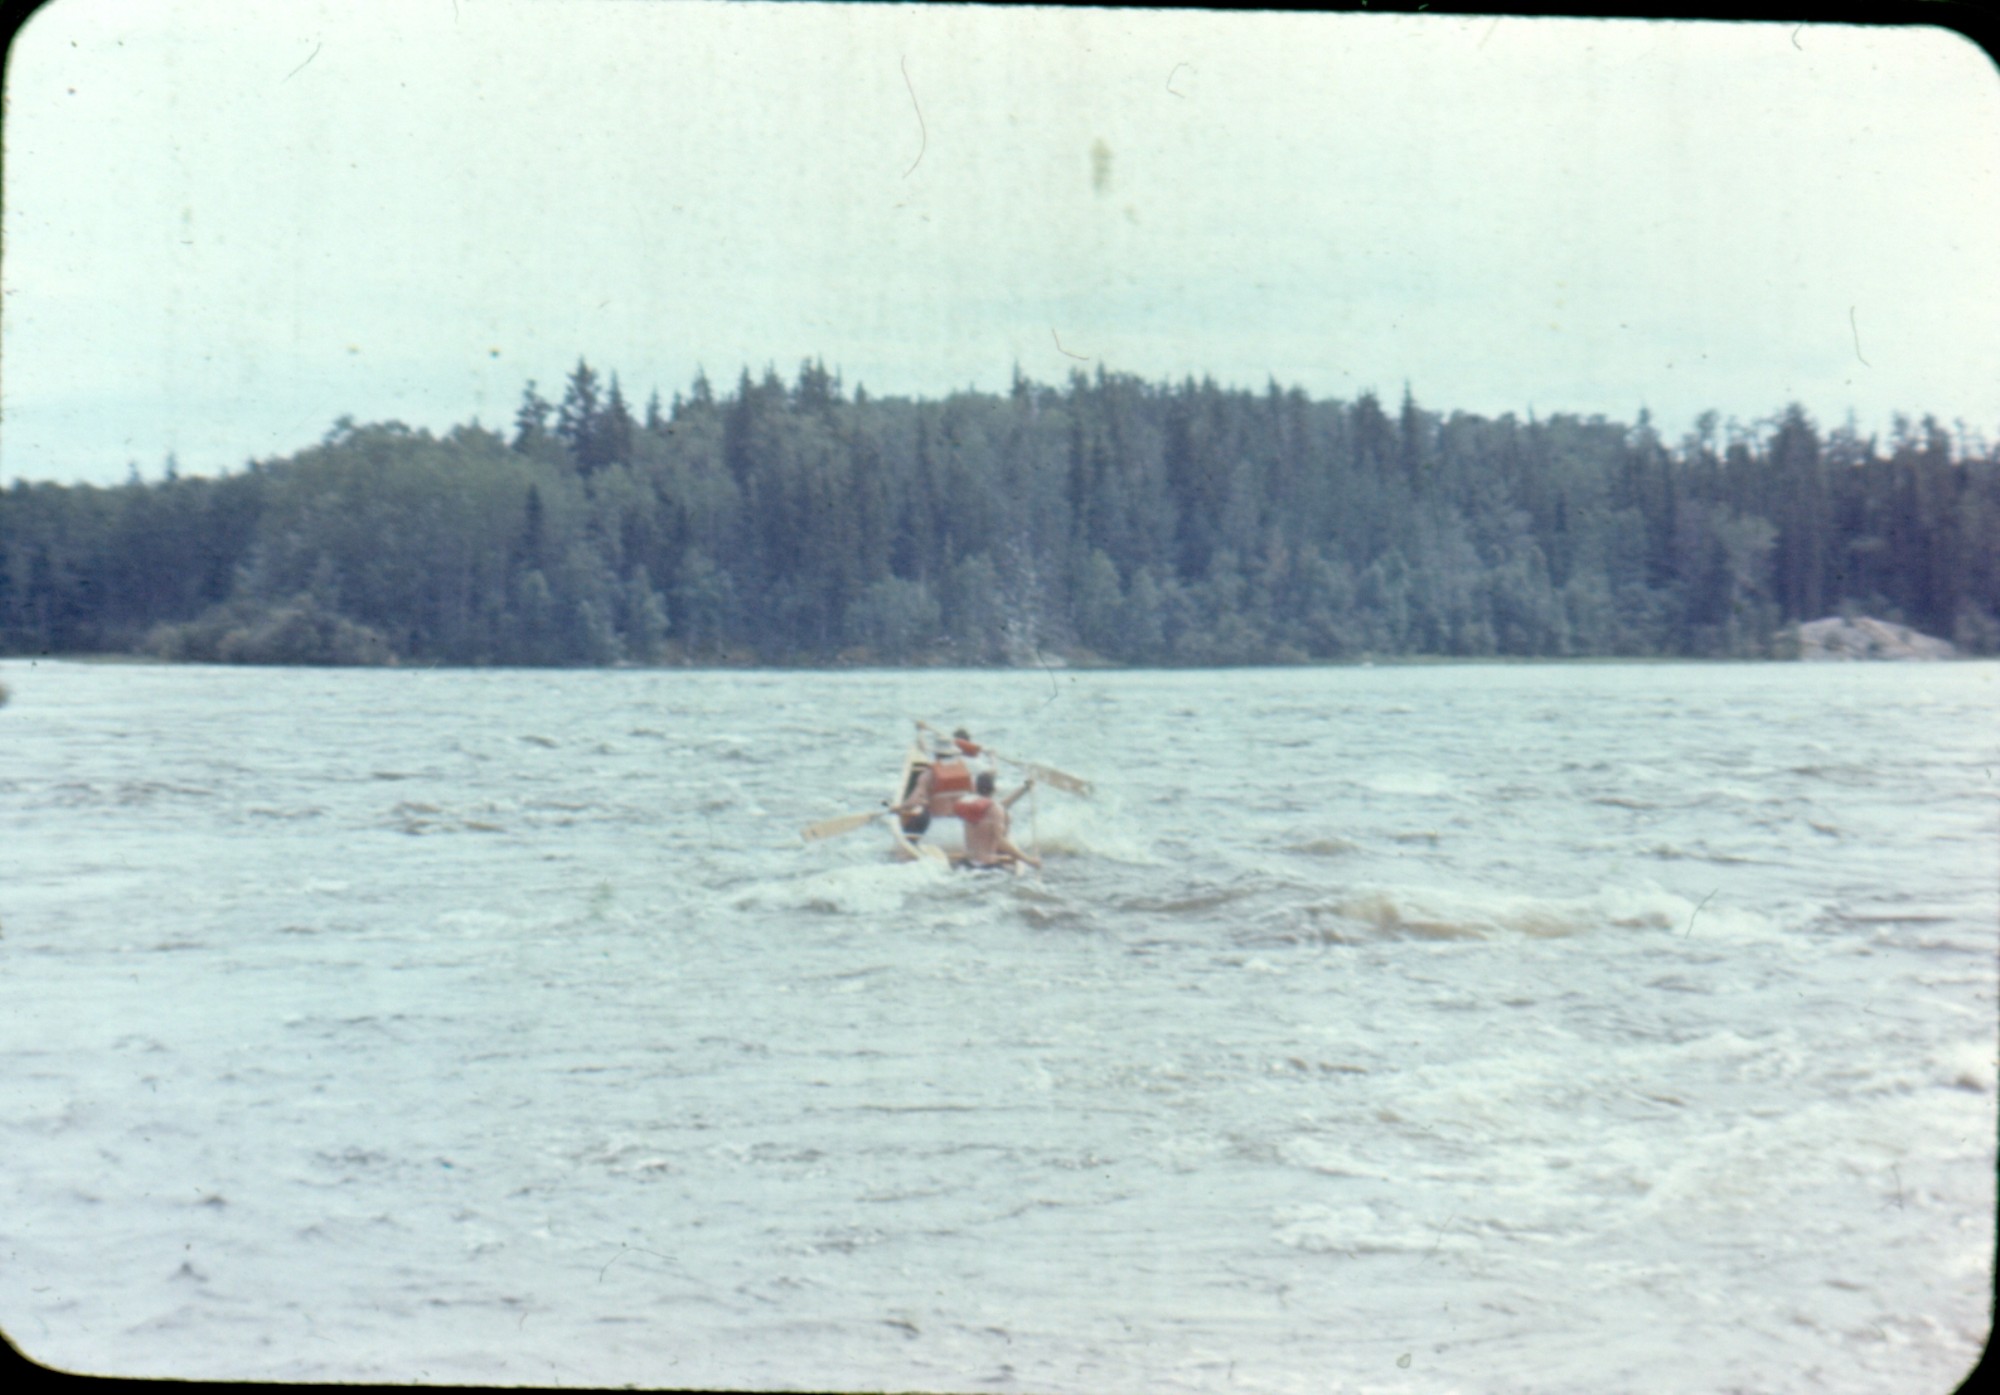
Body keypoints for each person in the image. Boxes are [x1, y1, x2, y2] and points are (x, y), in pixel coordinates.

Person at [949, 770, 1040, 870]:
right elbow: (1000, 842)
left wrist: (1024, 788)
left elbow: (1003, 805)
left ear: (975, 788)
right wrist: (1028, 860)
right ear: (994, 789)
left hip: (967, 864)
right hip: (987, 866)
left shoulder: (969, 806)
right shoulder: (995, 810)